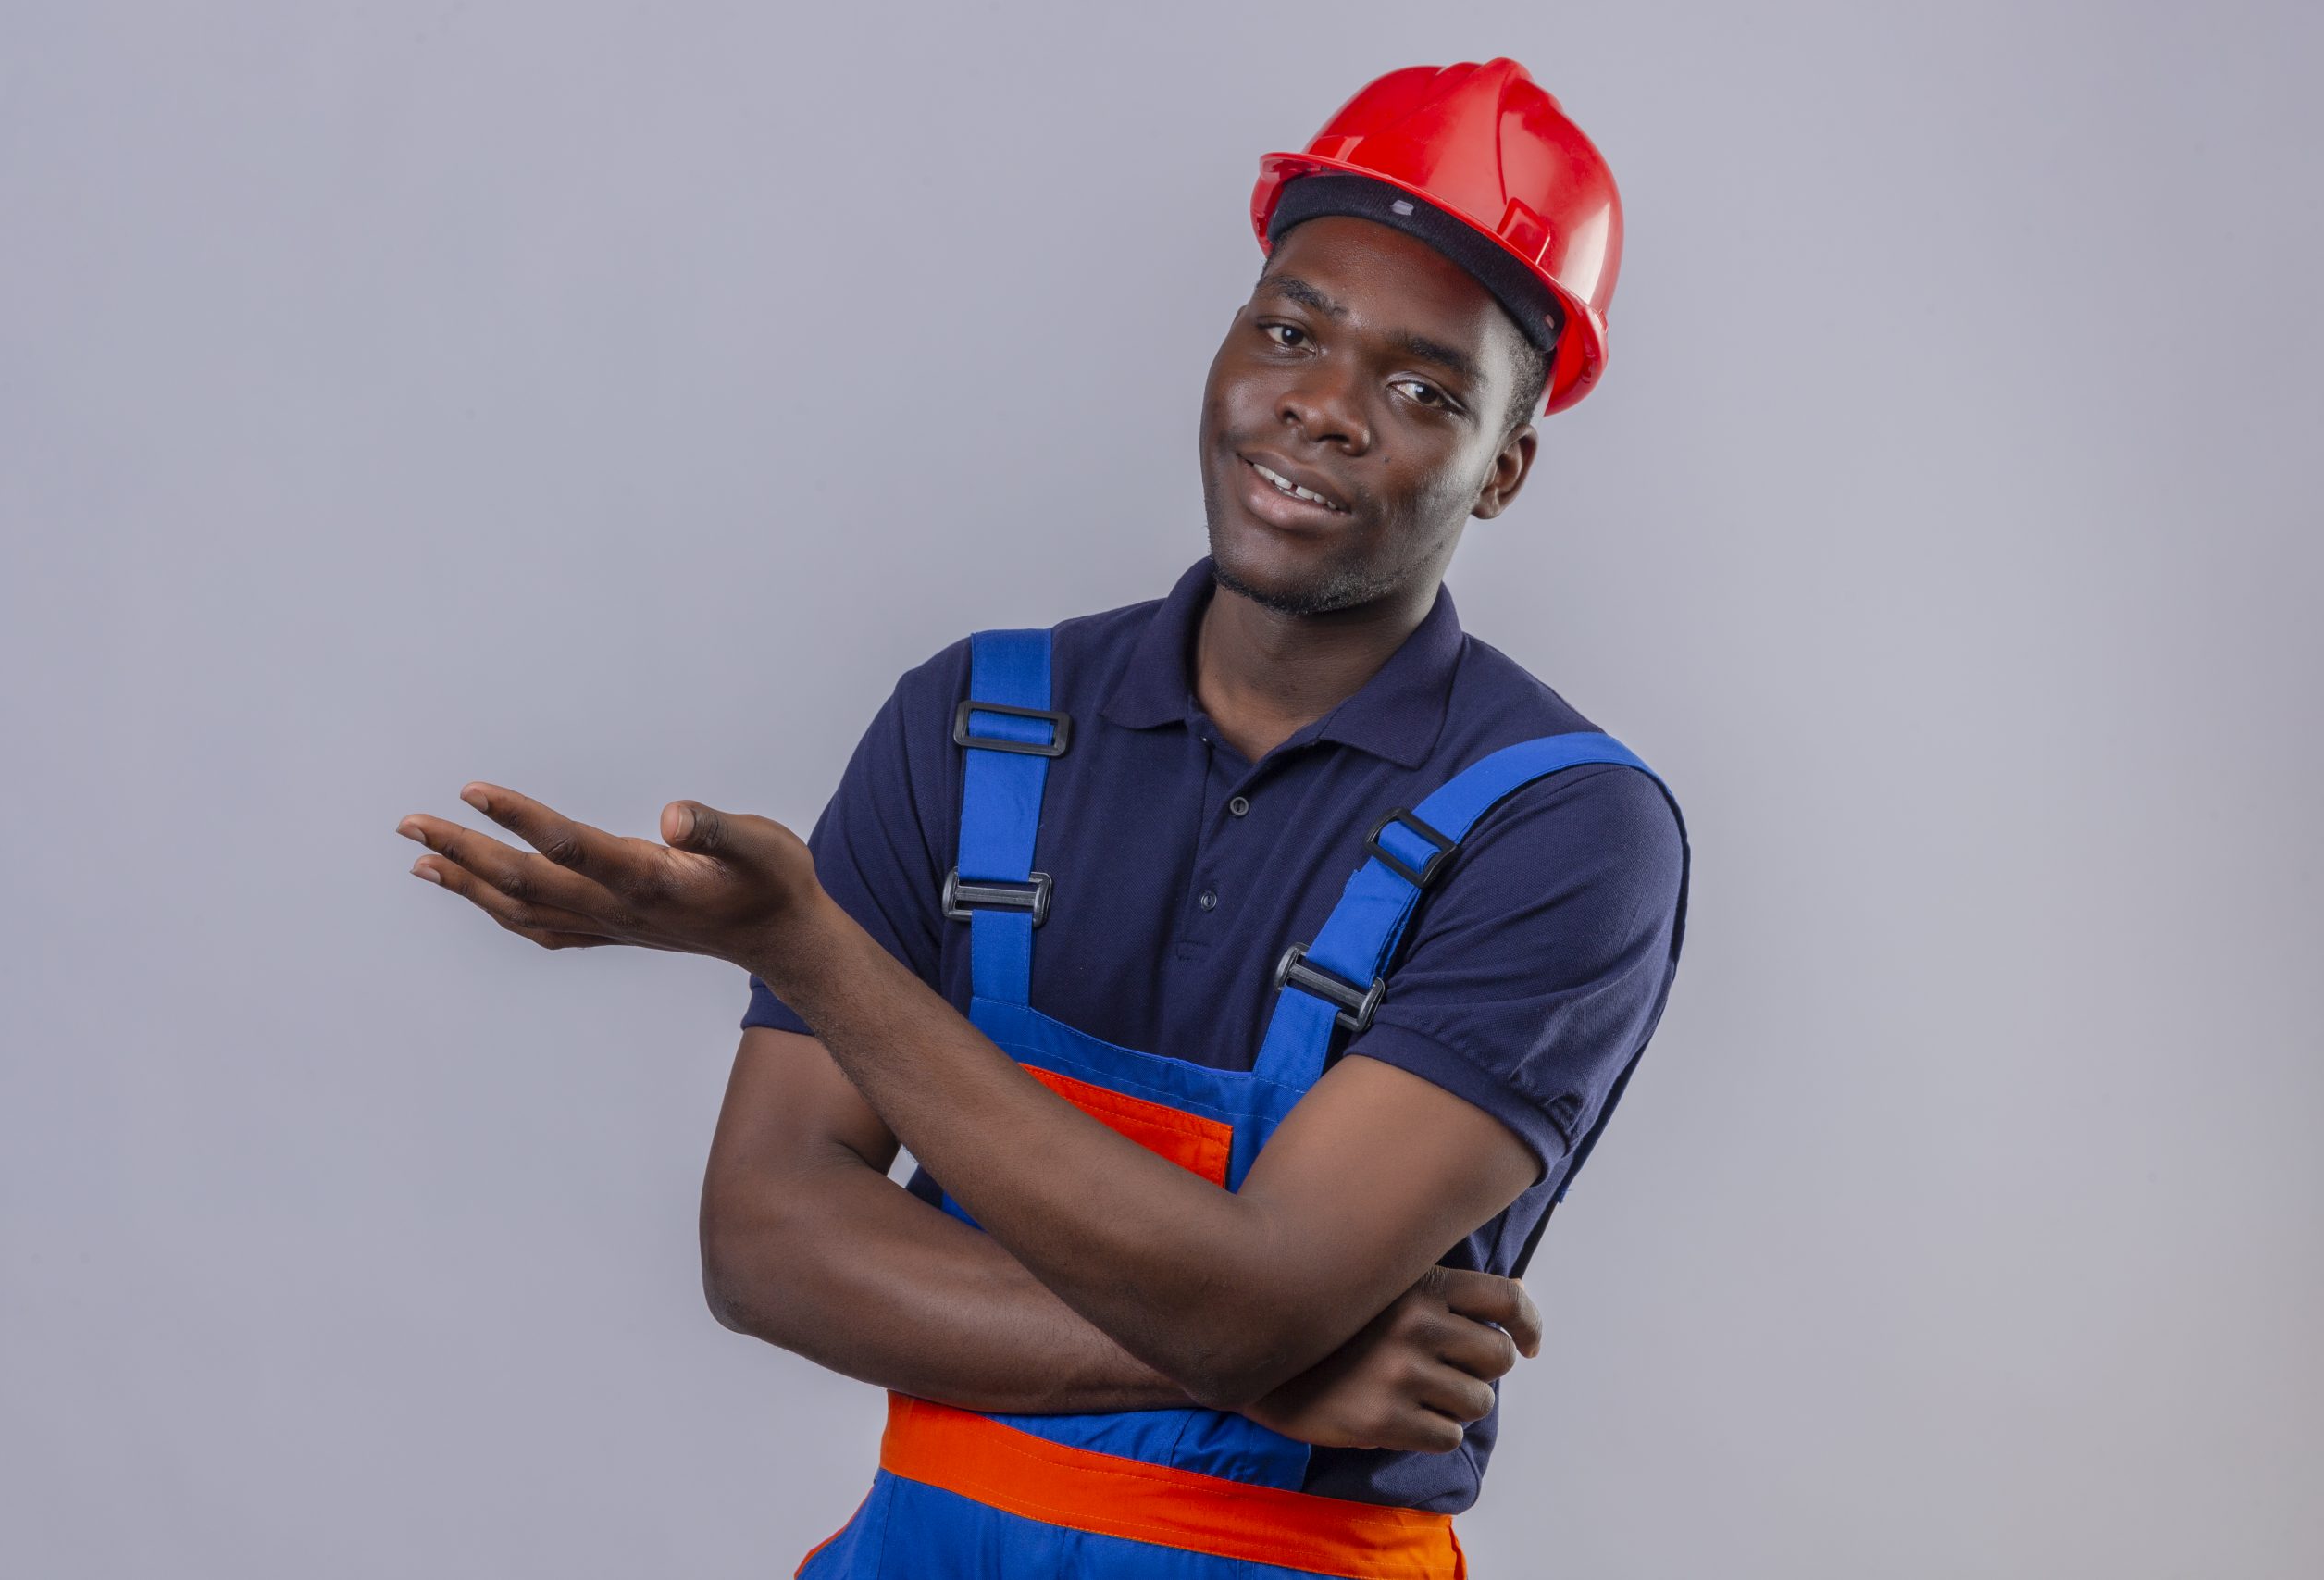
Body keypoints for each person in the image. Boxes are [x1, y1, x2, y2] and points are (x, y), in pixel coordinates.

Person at [395, 57, 1690, 1580]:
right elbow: (762, 1247)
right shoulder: (975, 718)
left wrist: (818, 958)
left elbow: (1248, 1294)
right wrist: (1267, 1373)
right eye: (1290, 328)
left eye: (1423, 391)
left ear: (1504, 471)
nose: (1324, 408)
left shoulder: (1566, 835)